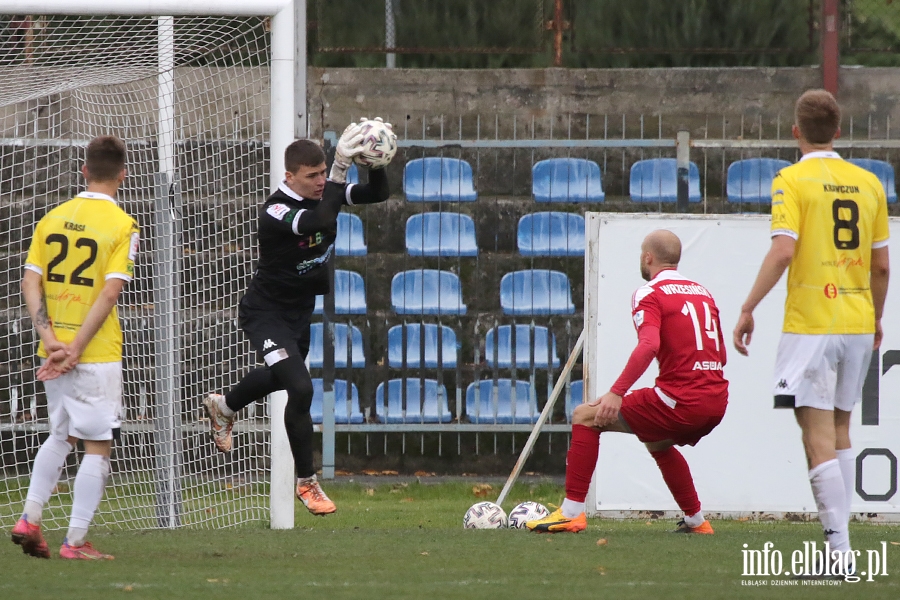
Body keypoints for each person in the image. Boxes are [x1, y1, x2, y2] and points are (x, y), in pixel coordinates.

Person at [202, 119, 394, 516]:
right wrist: (341, 170)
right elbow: (321, 221)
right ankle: (307, 483)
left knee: (280, 378)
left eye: (325, 172)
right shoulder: (276, 209)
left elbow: (379, 193)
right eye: (312, 176)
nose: (321, 181)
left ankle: (225, 406)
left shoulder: (324, 194)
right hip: (265, 313)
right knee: (301, 390)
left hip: (298, 314)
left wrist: (374, 160)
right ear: (290, 176)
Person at [733, 89, 890, 562]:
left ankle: (839, 553)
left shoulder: (791, 179)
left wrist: (748, 307)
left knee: (816, 434)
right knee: (842, 430)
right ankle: (842, 548)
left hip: (812, 324)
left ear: (796, 130)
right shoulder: (869, 183)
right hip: (859, 318)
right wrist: (877, 318)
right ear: (838, 131)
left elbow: (784, 250)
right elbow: (881, 267)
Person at [528, 230, 728, 534]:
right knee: (657, 441)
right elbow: (720, 352)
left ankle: (571, 513)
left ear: (648, 257)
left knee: (585, 415)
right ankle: (696, 522)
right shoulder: (703, 292)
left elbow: (648, 345)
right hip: (717, 400)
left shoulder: (649, 292)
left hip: (682, 401)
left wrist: (616, 392)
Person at [11, 135, 139, 560]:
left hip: (52, 351)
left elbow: (30, 281)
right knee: (98, 446)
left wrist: (51, 340)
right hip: (94, 353)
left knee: (60, 435)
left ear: (84, 170)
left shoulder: (52, 217)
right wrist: (78, 348)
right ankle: (76, 541)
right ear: (123, 174)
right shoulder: (123, 226)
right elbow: (109, 293)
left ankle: (29, 518)